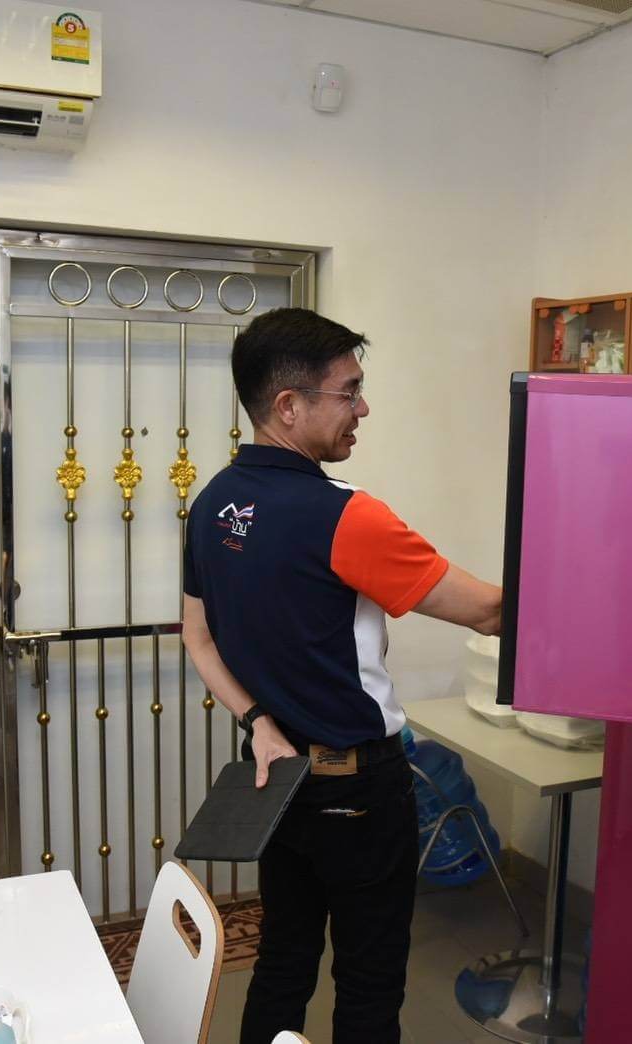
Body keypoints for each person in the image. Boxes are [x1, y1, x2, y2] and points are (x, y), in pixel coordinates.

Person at [180, 307, 502, 1044]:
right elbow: (488, 612)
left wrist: (259, 724)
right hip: (358, 789)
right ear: (289, 405)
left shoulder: (213, 504)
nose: (363, 408)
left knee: (282, 961)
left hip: (276, 775)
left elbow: (198, 639)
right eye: (349, 391)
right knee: (368, 980)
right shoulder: (347, 516)